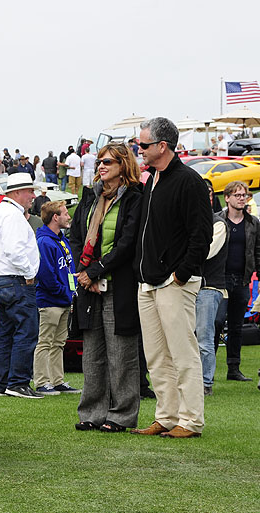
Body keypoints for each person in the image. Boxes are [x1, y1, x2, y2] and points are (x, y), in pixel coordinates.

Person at [130, 117, 212, 438]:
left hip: (175, 281)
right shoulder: (151, 181)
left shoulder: (189, 181)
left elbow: (201, 235)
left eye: (144, 145)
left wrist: (181, 273)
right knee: (156, 356)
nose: (140, 150)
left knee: (183, 353)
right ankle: (166, 416)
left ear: (162, 146)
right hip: (148, 281)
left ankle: (190, 421)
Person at [68, 143, 144, 431]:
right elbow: (76, 235)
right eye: (99, 161)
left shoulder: (134, 198)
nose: (100, 166)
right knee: (93, 353)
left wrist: (97, 270)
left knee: (122, 352)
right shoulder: (91, 197)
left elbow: (127, 243)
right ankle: (91, 413)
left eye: (107, 161)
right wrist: (84, 271)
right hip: (89, 285)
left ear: (123, 165)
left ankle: (121, 415)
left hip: (118, 284)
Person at [0, 173, 41, 398]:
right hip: (15, 279)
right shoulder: (13, 216)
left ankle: (2, 383)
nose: (33, 196)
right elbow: (14, 250)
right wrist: (29, 273)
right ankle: (17, 383)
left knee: (6, 332)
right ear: (17, 193)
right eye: (30, 191)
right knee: (26, 331)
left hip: (0, 279)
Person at [32, 201, 78, 396]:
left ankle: (57, 381)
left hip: (64, 299)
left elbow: (67, 268)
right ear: (55, 217)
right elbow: (46, 274)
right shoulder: (44, 242)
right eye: (65, 213)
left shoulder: (61, 240)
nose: (68, 217)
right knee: (45, 342)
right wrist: (63, 291)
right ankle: (42, 382)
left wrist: (71, 293)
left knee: (59, 342)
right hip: (50, 301)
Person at [217, 181, 260, 384]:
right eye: (237, 195)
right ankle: (207, 370)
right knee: (215, 323)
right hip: (219, 279)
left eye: (244, 195)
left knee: (236, 326)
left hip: (242, 279)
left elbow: (257, 251)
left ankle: (233, 368)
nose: (242, 198)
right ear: (227, 198)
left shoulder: (253, 223)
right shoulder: (217, 220)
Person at [194, 206, 229, 396]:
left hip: (209, 287)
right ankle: (193, 382)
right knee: (190, 337)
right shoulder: (193, 222)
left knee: (204, 338)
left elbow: (206, 252)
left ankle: (205, 382)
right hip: (191, 285)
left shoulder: (218, 225)